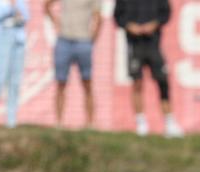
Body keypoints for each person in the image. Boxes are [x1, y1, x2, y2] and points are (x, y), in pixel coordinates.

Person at [114, 0, 183, 138]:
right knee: (137, 82)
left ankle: (169, 122)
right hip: (134, 44)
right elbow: (118, 16)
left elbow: (166, 14)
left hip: (153, 44)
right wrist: (129, 26)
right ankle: (141, 123)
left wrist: (154, 24)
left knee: (162, 81)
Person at [45, 0, 101, 127]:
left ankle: (90, 123)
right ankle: (59, 123)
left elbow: (98, 17)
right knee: (61, 83)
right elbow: (47, 5)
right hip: (64, 39)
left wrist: (92, 38)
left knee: (87, 83)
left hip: (83, 40)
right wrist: (56, 21)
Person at [0, 0, 29, 128]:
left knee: (15, 81)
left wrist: (16, 8)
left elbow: (26, 16)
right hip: (2, 37)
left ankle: (11, 120)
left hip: (18, 39)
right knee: (0, 79)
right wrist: (8, 7)